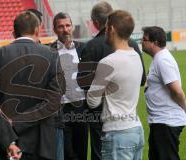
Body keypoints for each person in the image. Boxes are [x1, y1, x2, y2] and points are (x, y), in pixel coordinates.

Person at [0, 11, 65, 160]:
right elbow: (53, 101)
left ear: (14, 33)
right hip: (37, 145)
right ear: (37, 30)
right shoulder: (51, 56)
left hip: (8, 142)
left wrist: (12, 131)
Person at [77, 2, 146, 159]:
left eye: (107, 27)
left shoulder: (108, 62)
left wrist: (103, 89)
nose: (104, 31)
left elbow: (92, 101)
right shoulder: (135, 54)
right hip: (136, 129)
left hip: (116, 132)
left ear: (112, 29)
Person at [142, 26, 186, 160]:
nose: (142, 42)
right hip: (161, 121)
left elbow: (177, 91)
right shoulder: (159, 58)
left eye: (144, 39)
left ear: (154, 43)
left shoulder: (163, 60)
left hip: (166, 122)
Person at [50, 12, 88, 160]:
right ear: (54, 30)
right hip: (60, 108)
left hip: (81, 107)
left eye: (67, 25)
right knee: (67, 153)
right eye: (61, 26)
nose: (65, 29)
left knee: (82, 150)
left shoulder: (83, 48)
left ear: (72, 27)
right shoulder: (49, 50)